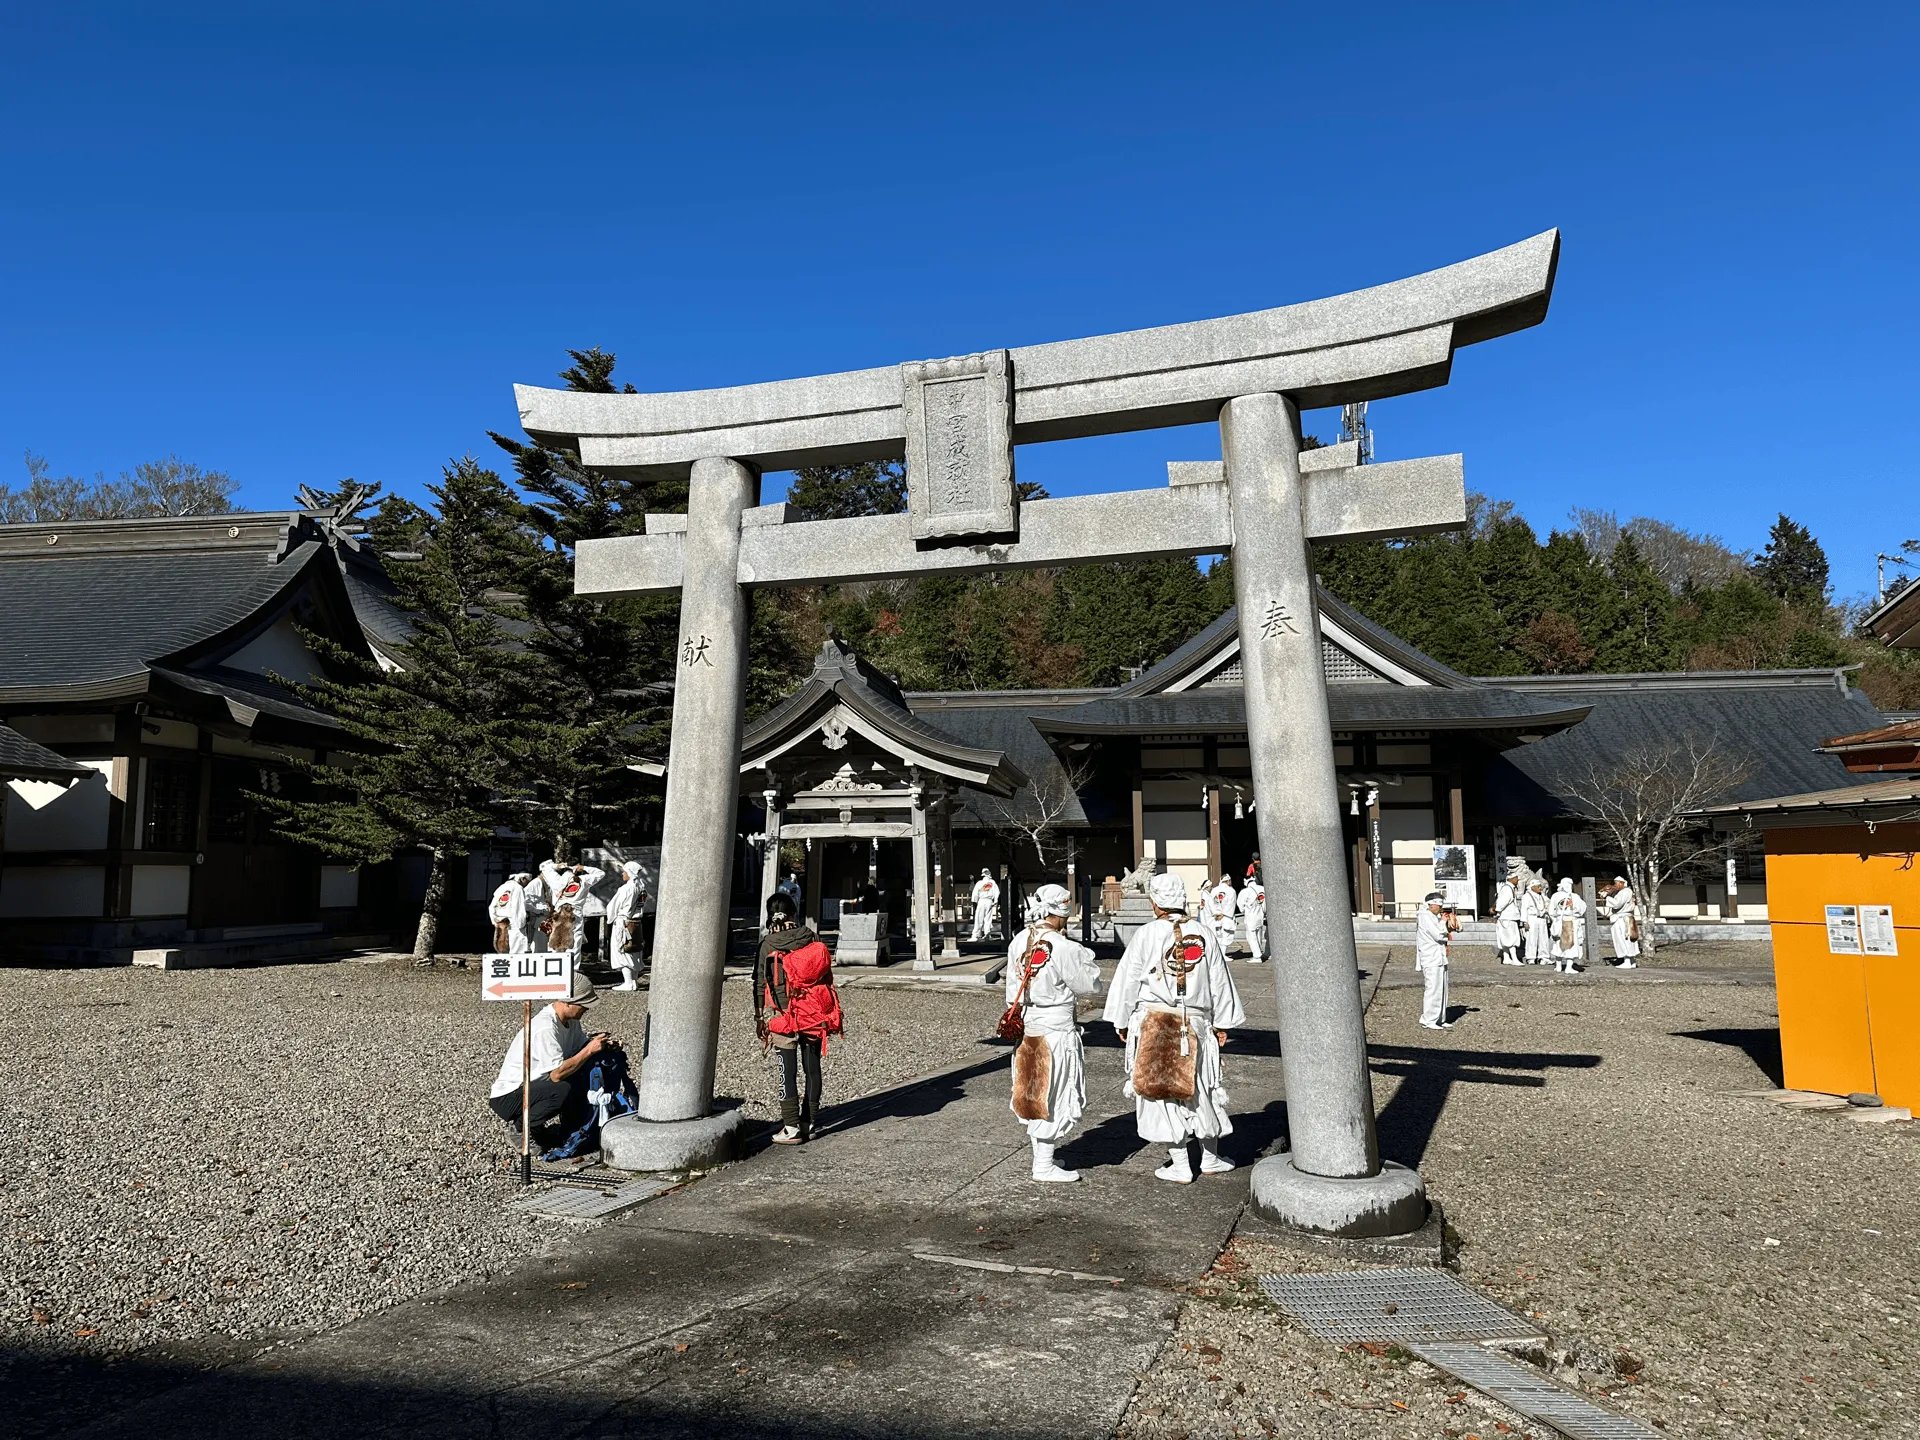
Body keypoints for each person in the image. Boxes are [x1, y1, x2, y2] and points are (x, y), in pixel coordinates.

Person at [1103, 872, 1246, 1184]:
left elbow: (1129, 979)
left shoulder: (1146, 934)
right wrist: (1222, 1022)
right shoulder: (1204, 932)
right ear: (1184, 900)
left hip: (1156, 1022)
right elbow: (1219, 981)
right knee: (1202, 1089)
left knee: (1162, 1091)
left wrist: (1121, 1019)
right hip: (1196, 1022)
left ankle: (1181, 1162)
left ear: (1155, 904)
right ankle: (1210, 1157)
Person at [1004, 882, 1102, 1182]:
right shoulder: (1064, 946)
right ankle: (1043, 1165)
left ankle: (1042, 1158)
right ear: (1062, 909)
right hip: (1057, 1029)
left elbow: (1011, 991)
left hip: (1029, 1026)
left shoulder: (1019, 940)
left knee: (1034, 1088)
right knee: (1054, 1091)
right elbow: (1089, 986)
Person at [755, 891, 842, 1144]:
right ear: (794, 912)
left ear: (771, 915)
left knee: (787, 1070)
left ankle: (790, 1127)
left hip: (784, 1014)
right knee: (812, 1069)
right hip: (813, 1012)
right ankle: (810, 1123)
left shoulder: (768, 944)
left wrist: (759, 1015)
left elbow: (759, 982)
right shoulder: (810, 936)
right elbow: (826, 975)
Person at [487, 972, 616, 1138]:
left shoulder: (571, 1022)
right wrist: (590, 1049)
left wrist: (602, 1045)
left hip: (534, 1086)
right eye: (583, 1005)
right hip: (509, 1094)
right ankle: (521, 1130)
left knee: (580, 1074)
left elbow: (579, 1047)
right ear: (568, 1002)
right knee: (562, 1089)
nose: (586, 1009)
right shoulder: (546, 1028)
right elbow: (557, 1074)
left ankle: (566, 1125)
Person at [540, 858, 606, 965]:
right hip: (574, 913)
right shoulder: (583, 880)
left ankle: (554, 968)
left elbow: (544, 867)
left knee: (555, 940)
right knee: (574, 941)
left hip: (559, 913)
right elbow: (601, 873)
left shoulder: (556, 879)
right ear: (577, 866)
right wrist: (584, 868)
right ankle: (573, 971)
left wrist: (557, 866)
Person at [606, 860, 648, 990]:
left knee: (622, 950)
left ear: (630, 873)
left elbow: (613, 906)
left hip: (623, 922)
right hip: (635, 922)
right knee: (634, 950)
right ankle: (633, 981)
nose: (623, 874)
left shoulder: (626, 888)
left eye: (624, 872)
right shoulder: (641, 887)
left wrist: (611, 918)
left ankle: (628, 982)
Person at [1415, 890, 1452, 1030]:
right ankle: (1428, 1019)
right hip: (1431, 957)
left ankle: (1440, 1018)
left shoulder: (1432, 916)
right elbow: (1437, 935)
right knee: (1433, 988)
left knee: (1442, 987)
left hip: (1439, 956)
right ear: (1430, 904)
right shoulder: (1425, 916)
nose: (1440, 907)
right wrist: (1444, 924)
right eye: (1438, 904)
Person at [487, 872, 534, 955]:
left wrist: (495, 921)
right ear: (523, 879)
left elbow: (492, 906)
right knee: (517, 951)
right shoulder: (518, 888)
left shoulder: (502, 887)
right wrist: (521, 924)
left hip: (501, 923)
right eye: (527, 882)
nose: (527, 885)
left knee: (502, 950)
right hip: (514, 923)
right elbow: (518, 907)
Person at [1548, 877, 1586, 973]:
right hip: (1569, 922)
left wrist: (1555, 920)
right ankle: (1566, 967)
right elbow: (1582, 909)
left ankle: (1559, 966)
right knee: (1568, 945)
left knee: (1561, 944)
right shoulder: (1573, 896)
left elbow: (1551, 911)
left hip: (1563, 921)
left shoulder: (1557, 896)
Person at [1493, 858, 1525, 966]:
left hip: (1507, 916)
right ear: (1512, 878)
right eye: (1517, 878)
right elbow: (1502, 902)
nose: (1518, 880)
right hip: (1507, 917)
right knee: (1511, 938)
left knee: (1506, 937)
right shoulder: (1507, 889)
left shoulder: (1508, 888)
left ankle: (1507, 957)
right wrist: (1498, 910)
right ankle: (1514, 958)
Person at [1603, 876, 1641, 968]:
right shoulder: (1626, 892)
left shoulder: (1625, 892)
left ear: (1622, 883)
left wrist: (1607, 897)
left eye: (1617, 883)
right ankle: (1632, 961)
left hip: (1622, 919)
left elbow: (1617, 904)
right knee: (1629, 939)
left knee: (1624, 938)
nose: (1615, 885)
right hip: (1626, 917)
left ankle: (1627, 961)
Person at [1236, 872, 1267, 963]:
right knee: (1259, 935)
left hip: (1250, 916)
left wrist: (1244, 909)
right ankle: (1258, 952)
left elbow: (1240, 905)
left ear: (1246, 881)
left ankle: (1257, 956)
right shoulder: (1262, 889)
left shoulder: (1245, 891)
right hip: (1260, 914)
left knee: (1251, 936)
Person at [1204, 874, 1238, 953]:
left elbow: (1210, 903)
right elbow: (1231, 904)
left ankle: (1219, 953)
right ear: (1228, 881)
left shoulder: (1214, 890)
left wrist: (1216, 913)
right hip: (1226, 916)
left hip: (1216, 916)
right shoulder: (1231, 891)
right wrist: (1224, 914)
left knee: (1218, 935)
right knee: (1226, 935)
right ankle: (1223, 953)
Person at [1521, 876, 1551, 965]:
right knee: (1531, 938)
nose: (1540, 888)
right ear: (1533, 887)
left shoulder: (1542, 896)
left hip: (1542, 919)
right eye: (1538, 886)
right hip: (1532, 918)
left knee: (1543, 938)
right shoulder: (1527, 896)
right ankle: (1530, 957)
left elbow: (1549, 903)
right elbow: (1524, 909)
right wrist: (1524, 921)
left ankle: (1544, 957)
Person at [968, 868, 1001, 943]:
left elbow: (975, 893)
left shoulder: (979, 883)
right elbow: (997, 892)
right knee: (988, 919)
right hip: (989, 901)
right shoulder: (992, 882)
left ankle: (975, 935)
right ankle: (987, 934)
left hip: (981, 901)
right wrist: (995, 900)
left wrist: (975, 902)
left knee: (979, 918)